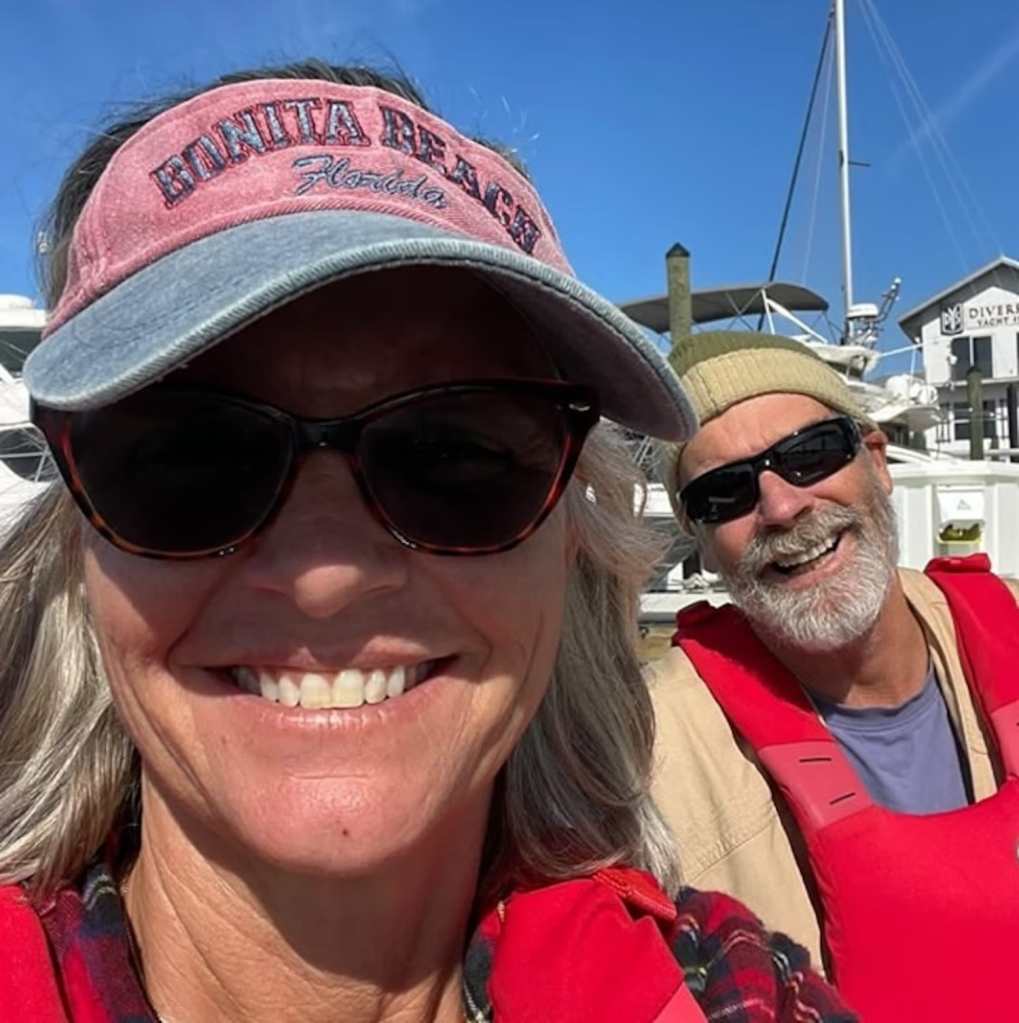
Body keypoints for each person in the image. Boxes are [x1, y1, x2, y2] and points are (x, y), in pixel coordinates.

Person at [0, 63, 853, 1023]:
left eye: (456, 455)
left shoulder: (738, 996)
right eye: (189, 459)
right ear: (81, 545)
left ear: (573, 541)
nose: (326, 575)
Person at [650, 328, 1019, 1023]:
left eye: (807, 453)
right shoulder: (645, 752)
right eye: (724, 493)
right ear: (695, 533)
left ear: (875, 460)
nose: (782, 506)